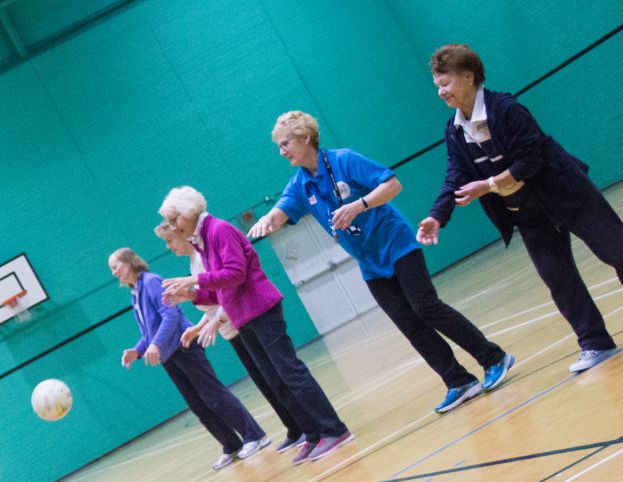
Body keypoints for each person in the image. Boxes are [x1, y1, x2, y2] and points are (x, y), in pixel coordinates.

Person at [249, 110, 514, 414]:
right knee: (408, 323)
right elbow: (282, 209)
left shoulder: (344, 160)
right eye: (279, 147)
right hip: (370, 263)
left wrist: (359, 205)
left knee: (426, 307)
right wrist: (267, 221)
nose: (282, 152)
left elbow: (392, 184)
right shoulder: (300, 183)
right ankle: (458, 381)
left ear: (305, 138)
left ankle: (493, 358)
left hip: (397, 245)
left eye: (286, 144)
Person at [418, 43, 623, 374]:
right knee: (559, 280)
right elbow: (455, 174)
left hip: (566, 194)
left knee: (617, 250)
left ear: (468, 77)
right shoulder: (454, 130)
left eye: (446, 83)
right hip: (527, 214)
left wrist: (488, 186)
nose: (441, 92)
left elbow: (531, 159)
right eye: (438, 86)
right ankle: (595, 342)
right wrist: (437, 215)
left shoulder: (506, 109)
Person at [158, 186, 354, 465]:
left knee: (290, 372)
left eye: (174, 218)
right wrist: (191, 294)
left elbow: (236, 274)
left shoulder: (219, 230)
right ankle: (312, 434)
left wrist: (195, 281)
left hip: (260, 307)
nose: (173, 225)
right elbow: (222, 291)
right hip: (243, 315)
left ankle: (334, 429)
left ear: (189, 211)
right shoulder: (203, 238)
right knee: (275, 380)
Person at [109, 247, 267, 469]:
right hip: (169, 356)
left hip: (184, 346)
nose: (114, 272)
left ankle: (255, 435)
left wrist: (155, 344)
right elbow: (148, 331)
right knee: (198, 405)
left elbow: (170, 314)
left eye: (116, 266)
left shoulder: (151, 282)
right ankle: (230, 444)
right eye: (112, 269)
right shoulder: (135, 293)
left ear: (130, 262)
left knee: (214, 396)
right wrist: (138, 350)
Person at [156, 224, 305, 452]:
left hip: (237, 323)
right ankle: (293, 428)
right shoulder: (193, 263)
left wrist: (217, 321)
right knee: (264, 382)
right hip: (229, 327)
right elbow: (211, 303)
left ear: (182, 236)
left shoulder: (203, 259)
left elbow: (226, 295)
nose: (168, 247)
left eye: (170, 241)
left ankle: (302, 426)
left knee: (274, 378)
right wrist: (198, 326)